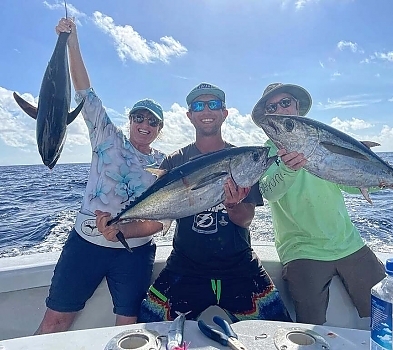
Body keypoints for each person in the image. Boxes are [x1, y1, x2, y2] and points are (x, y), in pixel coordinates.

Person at [252, 82, 393, 325]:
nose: (280, 109)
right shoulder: (265, 155)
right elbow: (269, 192)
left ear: (297, 107)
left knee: (392, 318)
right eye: (272, 107)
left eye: (285, 103)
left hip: (349, 243)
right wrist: (288, 169)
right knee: (309, 329)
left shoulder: (320, 139)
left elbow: (349, 183)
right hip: (301, 250)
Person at [35, 18, 165, 334]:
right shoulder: (107, 136)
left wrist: (127, 228)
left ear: (160, 129)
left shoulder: (163, 164)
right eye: (139, 118)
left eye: (153, 121)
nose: (144, 124)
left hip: (134, 254)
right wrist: (71, 39)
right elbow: (84, 90)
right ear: (131, 120)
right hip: (85, 245)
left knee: (129, 329)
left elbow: (162, 221)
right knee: (55, 321)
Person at [136, 82, 292, 323]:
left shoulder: (243, 160)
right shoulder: (175, 160)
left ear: (224, 113)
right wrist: (121, 227)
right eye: (198, 105)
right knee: (146, 333)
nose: (206, 111)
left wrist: (232, 205)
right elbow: (158, 214)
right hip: (185, 268)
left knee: (281, 335)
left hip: (240, 268)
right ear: (190, 116)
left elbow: (245, 219)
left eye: (214, 104)